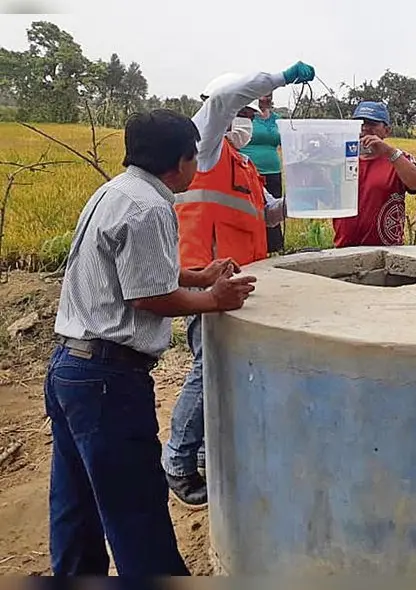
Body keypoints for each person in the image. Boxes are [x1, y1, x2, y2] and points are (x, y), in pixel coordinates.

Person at [46, 109, 257, 576]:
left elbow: (131, 266)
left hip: (71, 368)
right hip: (107, 380)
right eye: (194, 158)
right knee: (136, 508)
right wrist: (214, 299)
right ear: (180, 162)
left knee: (75, 504)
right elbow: (148, 297)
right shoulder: (151, 207)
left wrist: (195, 275)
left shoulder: (118, 191)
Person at [163, 63, 313, 509]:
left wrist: (305, 195)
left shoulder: (245, 165)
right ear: (224, 115)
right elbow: (226, 96)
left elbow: (268, 214)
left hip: (241, 283)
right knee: (208, 368)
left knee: (223, 370)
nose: (249, 120)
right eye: (242, 113)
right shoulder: (204, 150)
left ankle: (208, 455)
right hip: (204, 280)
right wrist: (281, 78)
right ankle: (178, 460)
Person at [331, 101, 416, 247]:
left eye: (372, 124)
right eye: (360, 123)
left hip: (387, 250)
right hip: (344, 249)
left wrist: (389, 152)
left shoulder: (399, 159)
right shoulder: (341, 159)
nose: (365, 129)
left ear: (386, 131)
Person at [240, 91, 285, 253]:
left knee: (271, 210)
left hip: (273, 172)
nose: (266, 98)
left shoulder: (276, 119)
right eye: (262, 94)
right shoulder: (245, 119)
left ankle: (273, 249)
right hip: (248, 170)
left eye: (269, 94)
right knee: (251, 212)